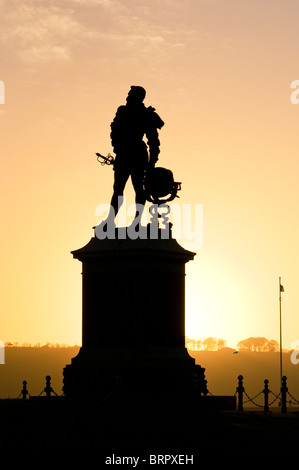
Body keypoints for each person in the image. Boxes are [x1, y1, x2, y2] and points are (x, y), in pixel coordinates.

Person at [106, 86, 164, 227]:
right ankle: (110, 220)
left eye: (130, 94)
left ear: (137, 97)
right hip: (123, 154)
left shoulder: (146, 114)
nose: (127, 97)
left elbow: (153, 140)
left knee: (138, 188)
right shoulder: (122, 111)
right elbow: (115, 132)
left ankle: (137, 220)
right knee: (118, 188)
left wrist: (152, 160)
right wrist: (118, 148)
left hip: (137, 155)